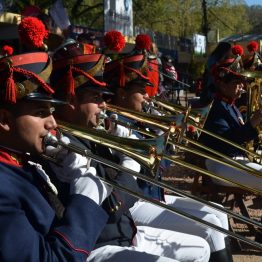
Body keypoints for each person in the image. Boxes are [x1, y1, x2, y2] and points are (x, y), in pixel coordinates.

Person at [47, 39, 211, 262]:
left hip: (124, 230)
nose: (104, 105)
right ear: (71, 100)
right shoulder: (64, 143)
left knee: (202, 245)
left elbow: (134, 181)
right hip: (101, 242)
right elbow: (114, 201)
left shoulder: (94, 132)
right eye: (97, 98)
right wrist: (131, 164)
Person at [104, 50, 233, 261]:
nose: (147, 96)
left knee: (218, 212)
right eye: (140, 91)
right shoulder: (114, 124)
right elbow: (140, 171)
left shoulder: (138, 121)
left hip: (155, 196)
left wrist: (165, 134)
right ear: (122, 93)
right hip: (137, 202)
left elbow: (162, 164)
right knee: (210, 226)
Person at [0, 51, 110, 261]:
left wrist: (69, 184)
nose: (53, 123)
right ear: (5, 119)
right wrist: (86, 200)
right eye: (41, 113)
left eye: (51, 111)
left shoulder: (22, 161)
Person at [199, 54, 262, 193]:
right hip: (220, 164)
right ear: (222, 84)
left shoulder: (231, 106)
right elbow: (228, 141)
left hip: (233, 161)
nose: (241, 86)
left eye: (241, 82)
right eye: (236, 83)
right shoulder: (216, 108)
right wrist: (253, 122)